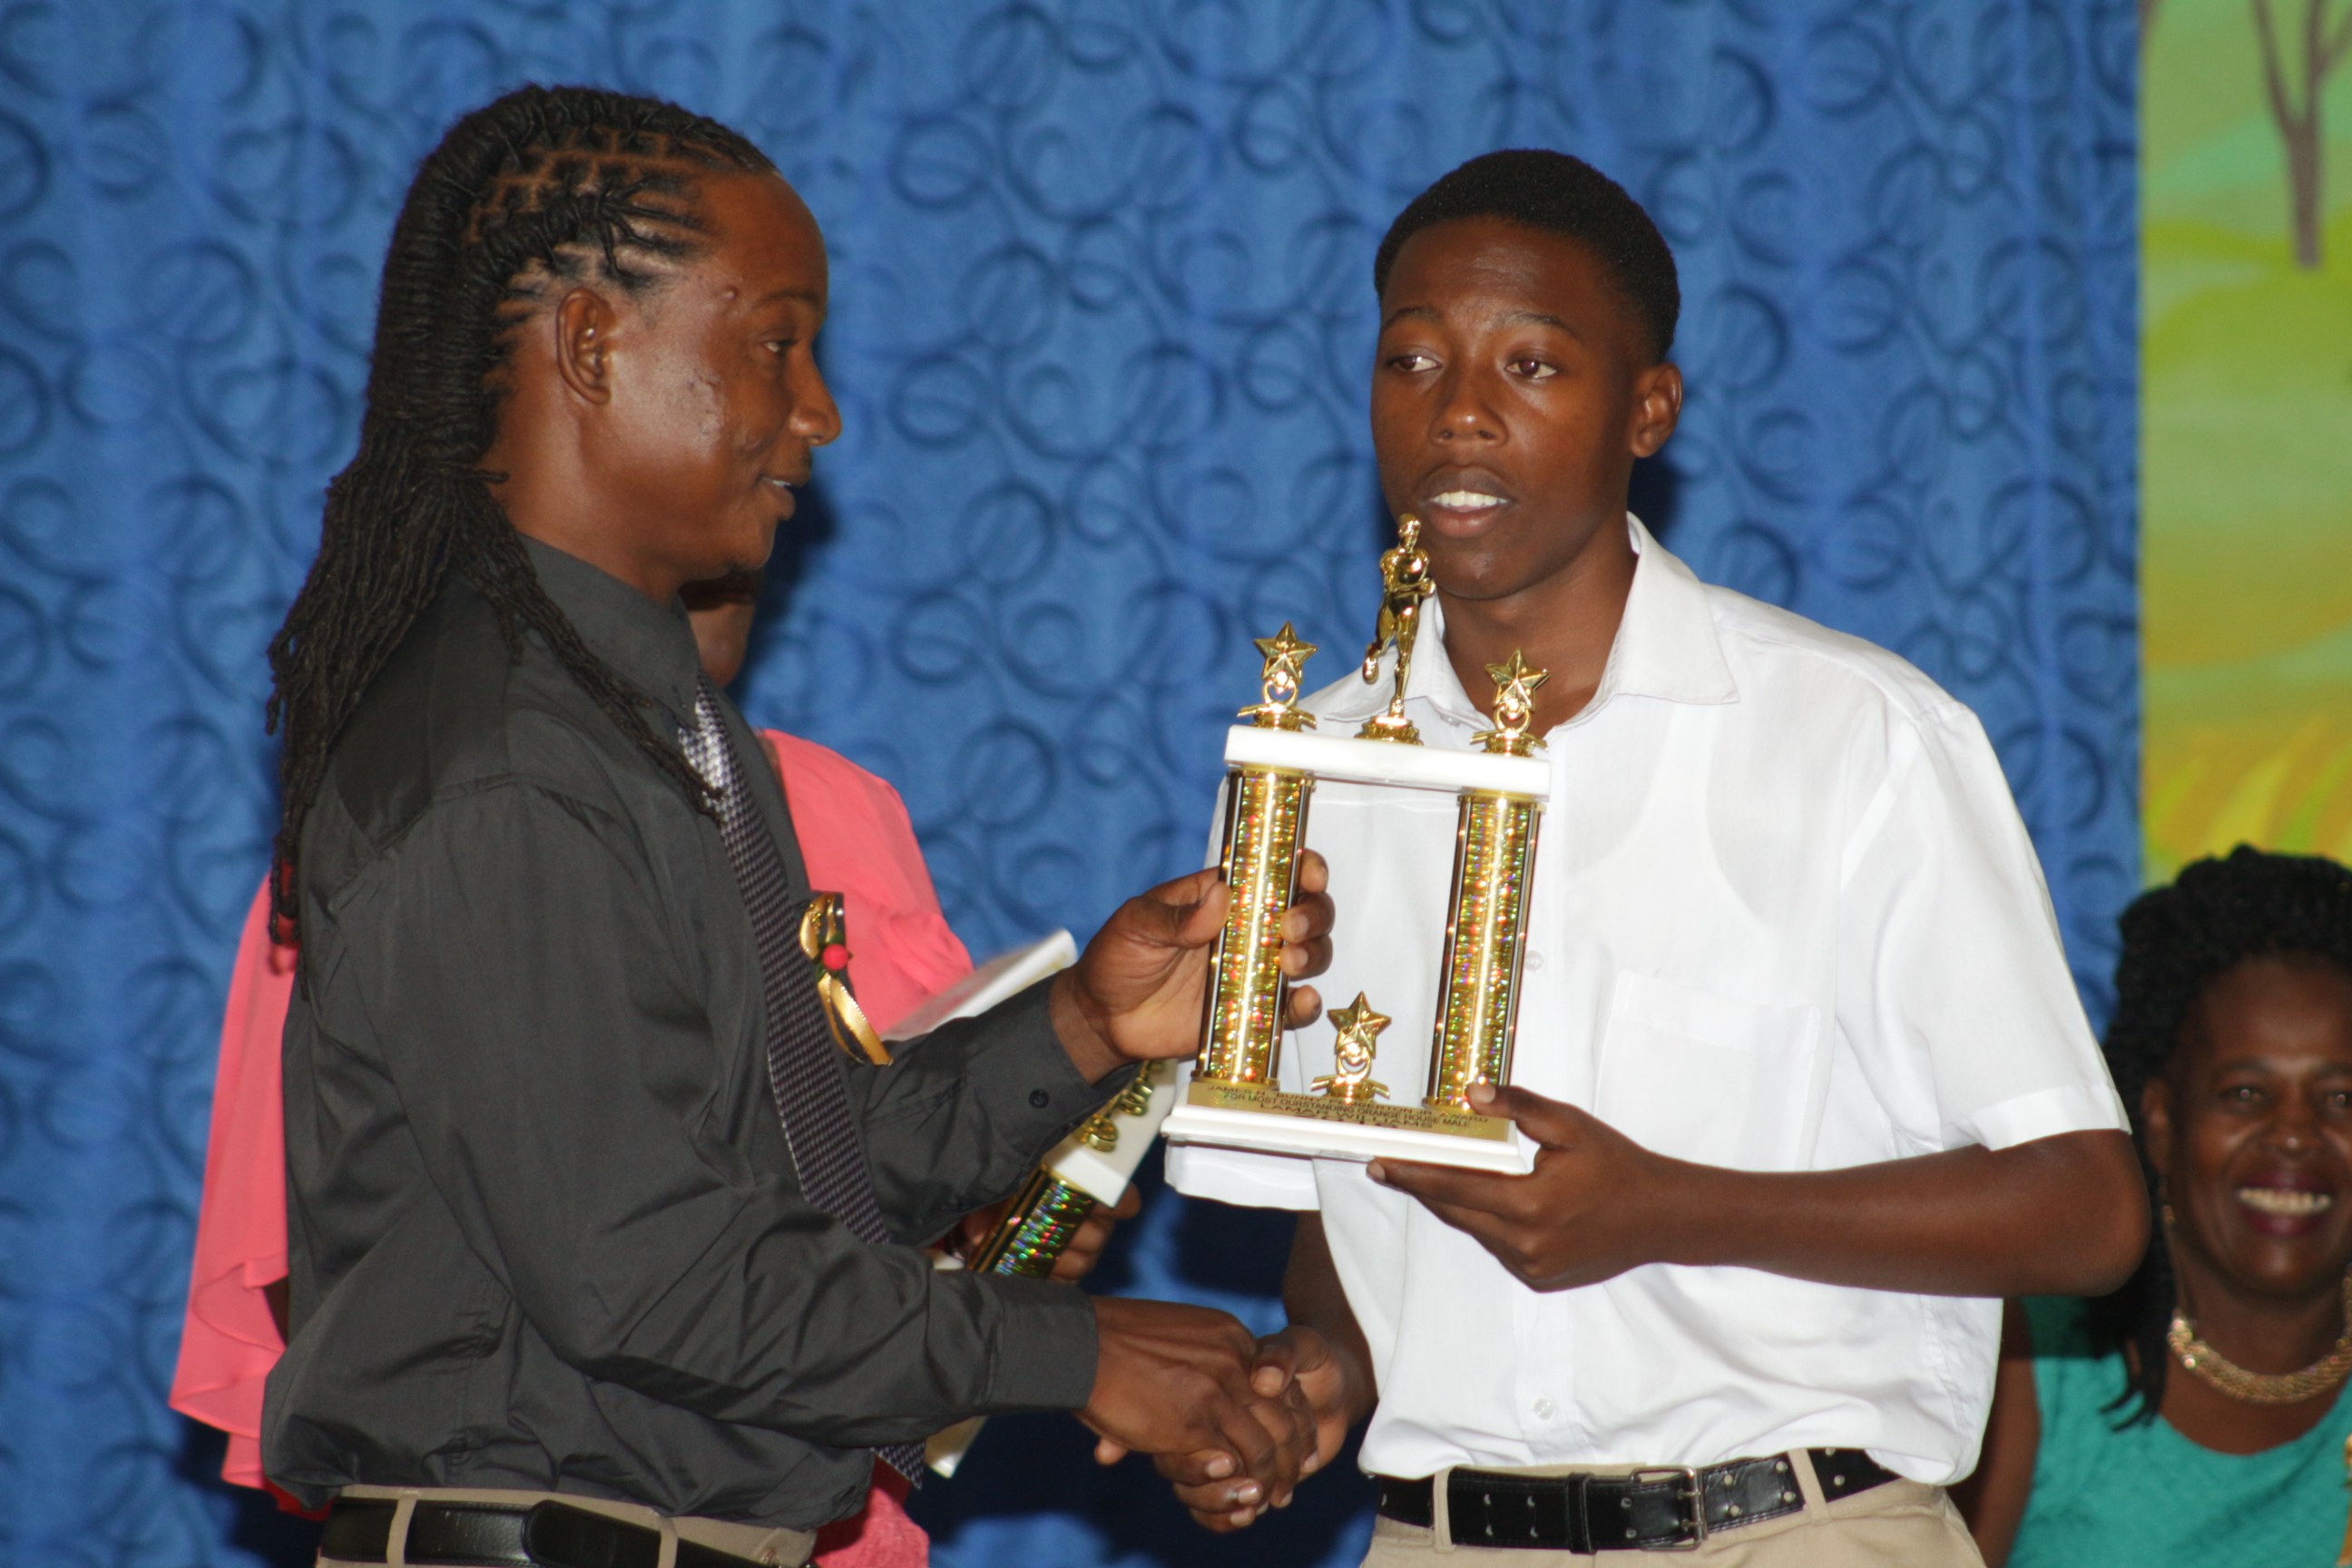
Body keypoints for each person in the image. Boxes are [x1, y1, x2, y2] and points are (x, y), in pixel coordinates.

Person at [257, 85, 1331, 1568]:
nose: (818, 410)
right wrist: (1077, 1352)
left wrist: (1086, 1026)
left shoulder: (659, 730)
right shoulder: (507, 765)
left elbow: (792, 1171)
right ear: (592, 346)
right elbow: (655, 1278)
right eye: (776, 343)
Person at [1159, 149, 2148, 1563]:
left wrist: (1667, 1209)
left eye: (1531, 366)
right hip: (1443, 1535)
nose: (1458, 412)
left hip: (1791, 1525)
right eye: (1413, 359)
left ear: (1649, 409)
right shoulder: (1313, 770)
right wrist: (1325, 1372)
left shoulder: (1851, 737)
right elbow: (1355, 1211)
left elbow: (2088, 1211)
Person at [171, 571, 1134, 1564]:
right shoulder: (477, 790)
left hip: (812, 1510)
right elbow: (429, 1278)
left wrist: (1012, 1198)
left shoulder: (821, 799)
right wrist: (1062, 1351)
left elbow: (813, 1166)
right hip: (567, 1511)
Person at [1956, 847, 2352, 1567]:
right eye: (2245, 1094)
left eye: (2341, 1098)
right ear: (2162, 1123)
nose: (2296, 1135)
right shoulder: (2036, 1354)